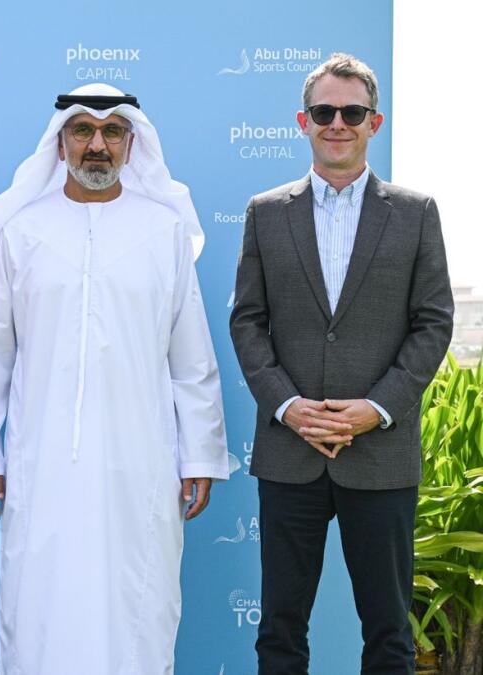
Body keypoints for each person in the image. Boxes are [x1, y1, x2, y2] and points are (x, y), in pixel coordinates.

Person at [0, 82, 229, 674]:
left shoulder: (164, 232)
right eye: (82, 131)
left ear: (133, 143)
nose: (96, 145)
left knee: (139, 600)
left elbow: (192, 359)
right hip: (42, 457)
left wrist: (200, 456)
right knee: (39, 602)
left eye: (111, 132)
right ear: (60, 145)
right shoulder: (23, 232)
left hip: (142, 461)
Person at [230, 53, 454, 673]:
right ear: (303, 121)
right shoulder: (265, 212)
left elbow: (433, 322)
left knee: (388, 633)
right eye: (324, 111)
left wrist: (375, 409)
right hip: (289, 451)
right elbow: (247, 320)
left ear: (373, 122)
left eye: (351, 112)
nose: (337, 123)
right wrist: (288, 407)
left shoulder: (415, 213)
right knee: (279, 629)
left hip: (380, 456)